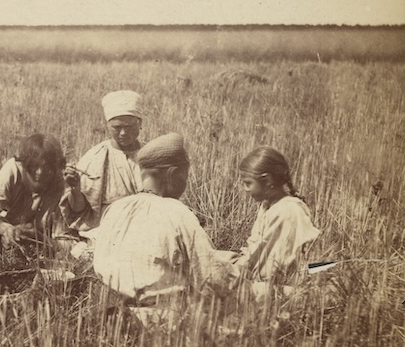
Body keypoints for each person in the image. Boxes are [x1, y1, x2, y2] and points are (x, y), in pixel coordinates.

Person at [93, 133, 238, 326]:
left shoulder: (116, 208)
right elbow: (212, 279)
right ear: (171, 174)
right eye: (184, 177)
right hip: (163, 321)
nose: (185, 185)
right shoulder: (177, 212)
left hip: (114, 316)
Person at [232, 146, 320, 294]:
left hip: (282, 289)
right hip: (265, 280)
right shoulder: (268, 205)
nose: (245, 189)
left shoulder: (287, 212)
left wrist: (234, 273)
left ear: (267, 180)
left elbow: (273, 264)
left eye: (248, 183)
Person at [61, 90, 144, 236]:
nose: (123, 133)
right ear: (107, 126)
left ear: (140, 124)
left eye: (129, 127)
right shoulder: (94, 158)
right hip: (106, 229)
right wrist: (75, 189)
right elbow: (80, 212)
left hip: (144, 226)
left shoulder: (153, 155)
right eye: (117, 127)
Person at [0, 133, 66, 260]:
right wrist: (6, 229)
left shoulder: (61, 184)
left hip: (34, 243)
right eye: (34, 166)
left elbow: (64, 242)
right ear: (24, 163)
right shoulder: (14, 169)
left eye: (46, 167)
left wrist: (38, 238)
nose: (39, 172)